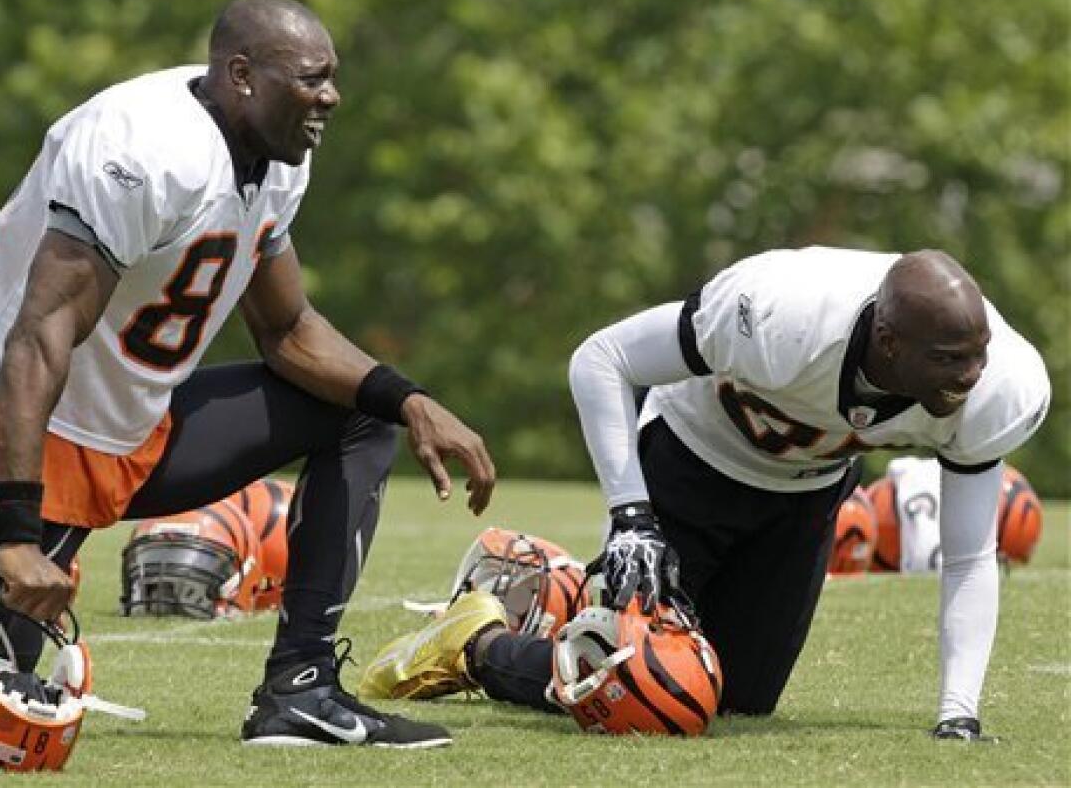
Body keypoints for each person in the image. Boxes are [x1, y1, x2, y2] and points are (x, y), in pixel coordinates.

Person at [0, 0, 495, 757]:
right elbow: (39, 339)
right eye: (312, 78)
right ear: (242, 76)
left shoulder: (273, 154)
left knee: (362, 411)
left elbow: (289, 329)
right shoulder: (139, 148)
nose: (331, 95)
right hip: (40, 436)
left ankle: (299, 691)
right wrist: (18, 533)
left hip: (145, 424)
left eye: (331, 76)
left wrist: (412, 398)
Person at [359, 246, 1050, 742]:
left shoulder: (1001, 384)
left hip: (804, 499)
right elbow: (601, 358)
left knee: (738, 703)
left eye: (979, 353)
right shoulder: (781, 311)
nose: (972, 374)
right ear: (889, 343)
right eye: (950, 360)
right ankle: (475, 643)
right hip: (691, 466)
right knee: (655, 693)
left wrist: (958, 711)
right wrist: (632, 517)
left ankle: (560, 596)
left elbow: (967, 557)